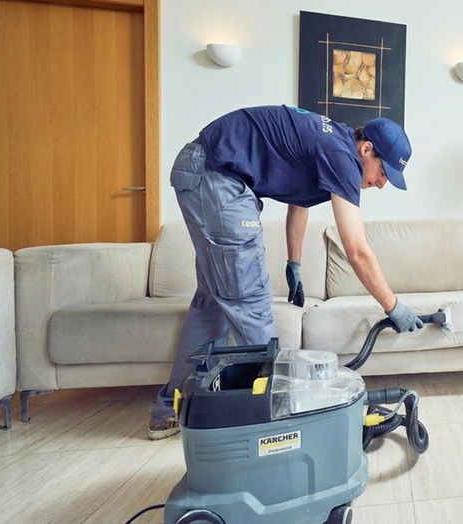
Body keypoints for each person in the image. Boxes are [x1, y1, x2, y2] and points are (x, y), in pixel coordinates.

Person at [148, 105, 423, 440]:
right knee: (251, 303)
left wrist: (295, 264)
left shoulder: (331, 143)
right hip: (216, 173)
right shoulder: (341, 157)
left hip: (204, 168)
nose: (381, 184)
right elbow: (357, 251)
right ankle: (285, 428)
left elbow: (299, 202)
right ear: (367, 149)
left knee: (212, 304)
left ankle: (170, 410)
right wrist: (394, 306)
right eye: (383, 172)